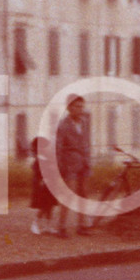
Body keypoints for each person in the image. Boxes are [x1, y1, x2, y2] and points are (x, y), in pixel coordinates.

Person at [55, 94, 91, 238]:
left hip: (84, 163)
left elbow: (87, 142)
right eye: (77, 106)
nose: (80, 109)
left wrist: (88, 161)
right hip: (69, 165)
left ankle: (82, 226)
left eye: (82, 106)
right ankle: (61, 227)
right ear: (69, 108)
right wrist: (60, 167)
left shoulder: (84, 122)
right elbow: (58, 148)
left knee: (84, 195)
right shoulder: (63, 125)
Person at [29, 136, 57, 235]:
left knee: (50, 206)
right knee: (43, 206)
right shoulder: (38, 160)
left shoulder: (47, 157)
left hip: (50, 184)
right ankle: (35, 223)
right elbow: (38, 173)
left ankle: (48, 226)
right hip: (42, 185)